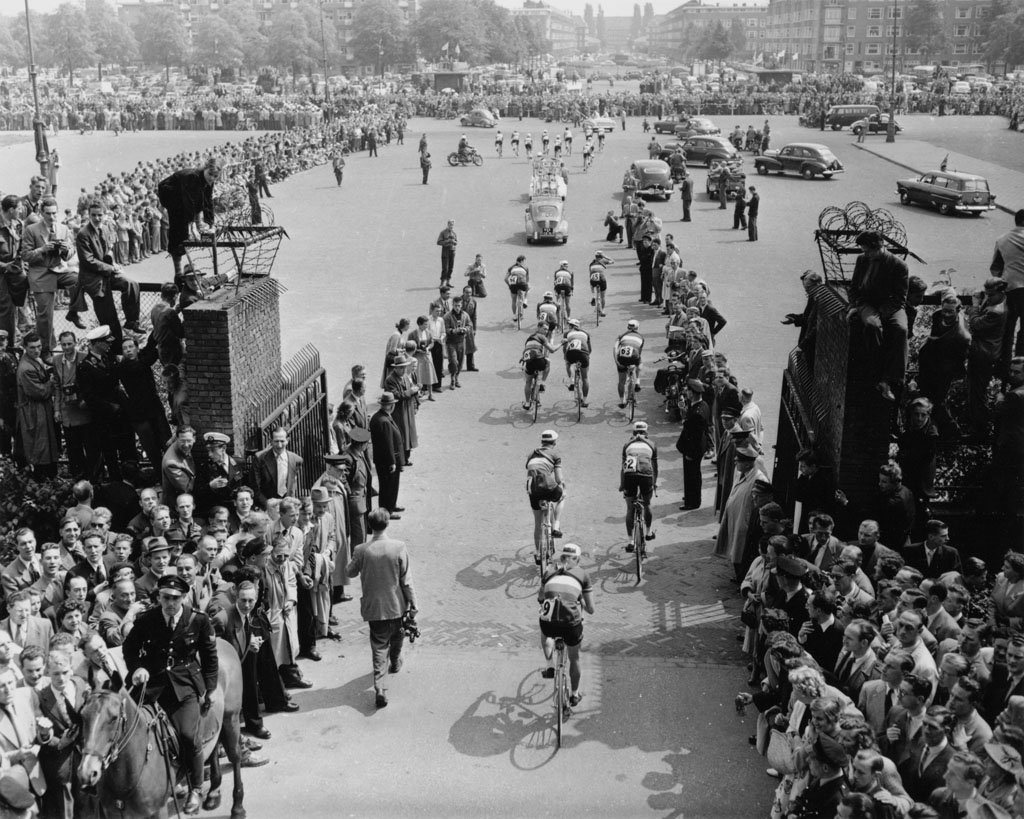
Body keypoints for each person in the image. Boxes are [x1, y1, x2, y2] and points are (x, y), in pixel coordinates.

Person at [122, 574, 218, 815]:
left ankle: (196, 787)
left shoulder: (198, 620)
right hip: (152, 684)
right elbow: (130, 647)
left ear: (183, 598)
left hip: (185, 686)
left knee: (187, 735)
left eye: (175, 598)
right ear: (159, 597)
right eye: (165, 597)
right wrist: (137, 668)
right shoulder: (147, 620)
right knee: (130, 729)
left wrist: (210, 689)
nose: (170, 603)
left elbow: (209, 657)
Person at [345, 509, 417, 709]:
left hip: (374, 608)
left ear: (369, 526)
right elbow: (406, 580)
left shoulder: (361, 550)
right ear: (387, 524)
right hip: (397, 605)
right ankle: (395, 661)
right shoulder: (398, 547)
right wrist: (414, 603)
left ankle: (380, 687)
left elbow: (349, 572)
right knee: (398, 635)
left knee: (378, 646)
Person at [848, 231, 910, 402]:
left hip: (890, 305)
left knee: (901, 329)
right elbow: (853, 287)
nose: (865, 254)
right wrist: (853, 306)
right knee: (872, 326)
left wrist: (883, 313)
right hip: (866, 303)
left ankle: (893, 379)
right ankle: (876, 373)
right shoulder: (862, 260)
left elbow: (900, 298)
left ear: (879, 248)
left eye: (868, 250)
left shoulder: (899, 266)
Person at [20, 196, 79, 357]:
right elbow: (25, 256)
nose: (51, 217)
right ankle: (45, 350)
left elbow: (71, 253)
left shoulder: (63, 228)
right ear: (41, 212)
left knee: (78, 281)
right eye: (48, 214)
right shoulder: (31, 230)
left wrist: (67, 249)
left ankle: (73, 312)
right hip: (40, 274)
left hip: (59, 270)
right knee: (45, 315)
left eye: (54, 213)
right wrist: (42, 250)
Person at [75, 198, 141, 343]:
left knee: (131, 284)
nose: (97, 218)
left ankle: (132, 321)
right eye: (93, 215)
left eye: (100, 215)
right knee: (109, 319)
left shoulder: (104, 228)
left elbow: (107, 251)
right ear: (89, 215)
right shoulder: (83, 234)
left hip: (106, 273)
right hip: (94, 279)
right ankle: (114, 350)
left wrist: (115, 264)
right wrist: (111, 268)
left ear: (104, 215)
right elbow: (88, 261)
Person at [537, 543, 594, 708]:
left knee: (544, 628)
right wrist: (580, 599)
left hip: (549, 625)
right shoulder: (583, 574)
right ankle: (575, 695)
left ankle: (549, 665)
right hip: (571, 625)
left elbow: (541, 598)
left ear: (561, 558)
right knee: (574, 657)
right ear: (578, 559)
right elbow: (591, 610)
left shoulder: (548, 571)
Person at [157, 156, 222, 279]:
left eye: (215, 176)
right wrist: (193, 226)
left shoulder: (209, 181)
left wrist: (210, 224)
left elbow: (208, 201)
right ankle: (178, 271)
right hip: (170, 192)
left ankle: (182, 264)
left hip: (184, 196)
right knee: (180, 229)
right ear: (205, 169)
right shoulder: (192, 177)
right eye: (210, 174)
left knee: (201, 201)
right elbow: (189, 203)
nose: (212, 178)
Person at [14, 332, 59, 479]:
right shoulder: (26, 367)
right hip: (34, 410)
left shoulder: (35, 359)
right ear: (25, 347)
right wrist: (51, 381)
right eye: (32, 347)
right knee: (40, 446)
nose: (37, 350)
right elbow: (39, 393)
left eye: (39, 347)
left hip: (40, 408)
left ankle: (48, 478)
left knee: (46, 443)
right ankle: (43, 479)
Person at [990, 209, 1024, 382]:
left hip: (1011, 289)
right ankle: (1021, 369)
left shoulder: (1002, 239)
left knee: (1008, 330)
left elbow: (995, 268)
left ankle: (1005, 370)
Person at [526, 430, 566, 562]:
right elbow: (559, 478)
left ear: (542, 441)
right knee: (561, 496)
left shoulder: (532, 453)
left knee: (538, 523)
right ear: (554, 442)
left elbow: (530, 470)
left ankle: (538, 553)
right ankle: (555, 526)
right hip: (547, 486)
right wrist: (562, 485)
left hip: (533, 489)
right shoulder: (555, 454)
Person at [621, 421, 658, 548]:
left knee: (630, 508)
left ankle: (630, 541)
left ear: (633, 433)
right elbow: (655, 468)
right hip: (646, 474)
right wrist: (654, 483)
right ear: (646, 433)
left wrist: (622, 485)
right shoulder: (652, 444)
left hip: (629, 475)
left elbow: (623, 468)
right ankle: (648, 532)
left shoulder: (627, 445)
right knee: (647, 503)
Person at [677, 379, 711, 510]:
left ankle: (693, 501)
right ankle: (690, 496)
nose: (686, 392)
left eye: (688, 390)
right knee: (692, 474)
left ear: (693, 393)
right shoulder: (701, 405)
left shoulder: (697, 413)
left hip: (693, 449)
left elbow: (694, 436)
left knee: (692, 475)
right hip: (695, 446)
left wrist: (690, 453)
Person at [369, 392, 405, 518]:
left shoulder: (380, 417)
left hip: (384, 459)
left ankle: (391, 505)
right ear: (390, 406)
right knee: (387, 487)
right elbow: (388, 443)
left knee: (391, 485)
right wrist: (392, 462)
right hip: (387, 460)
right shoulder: (383, 420)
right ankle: (387, 511)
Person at [254, 427, 304, 508]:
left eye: (282, 441)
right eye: (276, 441)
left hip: (287, 507)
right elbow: (255, 487)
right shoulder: (260, 458)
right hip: (267, 506)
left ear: (288, 440)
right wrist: (266, 503)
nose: (279, 445)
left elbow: (293, 484)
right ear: (271, 441)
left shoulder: (296, 460)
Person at [521, 321, 559, 411]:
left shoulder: (529, 338)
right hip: (538, 360)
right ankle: (542, 383)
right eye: (544, 329)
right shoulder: (541, 336)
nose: (546, 331)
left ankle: (527, 403)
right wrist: (561, 343)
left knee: (528, 382)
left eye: (547, 329)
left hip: (528, 360)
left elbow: (527, 350)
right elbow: (552, 350)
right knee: (548, 363)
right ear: (538, 327)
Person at [614, 319, 644, 409]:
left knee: (621, 381)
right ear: (637, 328)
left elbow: (615, 348)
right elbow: (639, 352)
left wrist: (617, 361)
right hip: (634, 357)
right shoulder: (641, 337)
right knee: (640, 361)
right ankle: (637, 380)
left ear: (628, 327)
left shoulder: (621, 336)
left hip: (622, 358)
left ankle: (622, 401)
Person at [561, 318, 591, 407]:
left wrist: (565, 357)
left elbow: (565, 348)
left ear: (571, 326)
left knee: (567, 363)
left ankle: (572, 381)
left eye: (569, 325)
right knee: (585, 378)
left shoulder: (567, 334)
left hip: (571, 354)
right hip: (584, 354)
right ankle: (584, 400)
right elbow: (590, 350)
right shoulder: (586, 334)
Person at [588, 252, 612, 317]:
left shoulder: (591, 264)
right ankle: (603, 310)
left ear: (595, 257)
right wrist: (605, 256)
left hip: (593, 280)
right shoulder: (603, 261)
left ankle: (593, 296)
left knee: (591, 282)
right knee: (603, 296)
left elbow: (590, 274)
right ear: (601, 257)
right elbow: (612, 261)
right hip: (601, 279)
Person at [437, 219, 457, 287]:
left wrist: (454, 242)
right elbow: (438, 242)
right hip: (445, 251)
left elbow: (456, 242)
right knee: (445, 268)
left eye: (453, 225)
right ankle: (442, 282)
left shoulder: (454, 233)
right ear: (448, 224)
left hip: (452, 251)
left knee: (451, 268)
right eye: (450, 224)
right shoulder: (443, 232)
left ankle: (448, 281)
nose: (451, 226)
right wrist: (447, 241)